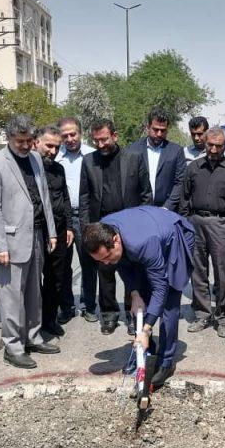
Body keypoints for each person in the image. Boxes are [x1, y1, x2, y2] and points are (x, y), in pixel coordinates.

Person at [83, 206, 194, 388]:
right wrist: (134, 294)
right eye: (101, 260)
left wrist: (147, 328)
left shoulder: (143, 243)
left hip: (174, 238)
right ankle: (145, 351)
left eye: (107, 256)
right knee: (140, 300)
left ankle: (166, 362)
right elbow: (122, 264)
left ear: (116, 240)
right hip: (146, 234)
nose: (106, 263)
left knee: (169, 302)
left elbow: (160, 288)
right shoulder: (104, 231)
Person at [0, 115, 60, 368]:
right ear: (9, 138)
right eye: (20, 141)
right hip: (10, 240)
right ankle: (13, 346)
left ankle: (33, 336)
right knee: (11, 296)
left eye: (29, 140)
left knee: (34, 292)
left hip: (36, 235)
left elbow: (43, 197)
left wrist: (51, 231)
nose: (26, 146)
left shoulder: (36, 158)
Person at [79, 119, 152, 335]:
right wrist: (86, 229)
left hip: (129, 228)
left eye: (104, 139)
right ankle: (109, 314)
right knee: (105, 271)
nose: (100, 145)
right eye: (96, 141)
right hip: (100, 225)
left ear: (115, 136)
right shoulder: (89, 161)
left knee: (132, 273)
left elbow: (146, 194)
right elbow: (84, 197)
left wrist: (142, 226)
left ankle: (132, 313)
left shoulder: (134, 158)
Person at [182, 126, 225, 337]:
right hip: (196, 222)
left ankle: (223, 316)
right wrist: (187, 223)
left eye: (218, 146)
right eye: (210, 145)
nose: (213, 150)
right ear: (204, 143)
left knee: (222, 273)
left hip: (220, 224)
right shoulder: (194, 167)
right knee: (198, 271)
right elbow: (184, 197)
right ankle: (202, 314)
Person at [55, 117, 97, 323]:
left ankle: (89, 305)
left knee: (88, 262)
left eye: (73, 134)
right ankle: (66, 306)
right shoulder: (56, 157)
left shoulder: (91, 155)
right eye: (65, 135)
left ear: (81, 133)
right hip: (62, 217)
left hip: (85, 215)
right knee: (62, 264)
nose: (70, 139)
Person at [35, 125, 73, 338]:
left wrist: (68, 226)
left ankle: (49, 319)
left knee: (55, 278)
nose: (53, 151)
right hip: (37, 231)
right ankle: (32, 322)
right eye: (49, 146)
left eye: (57, 147)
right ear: (36, 143)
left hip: (58, 232)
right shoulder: (29, 168)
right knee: (32, 281)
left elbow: (65, 198)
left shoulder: (59, 169)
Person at [127, 107, 186, 211]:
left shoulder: (176, 151)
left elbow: (180, 182)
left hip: (166, 210)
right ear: (148, 127)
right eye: (155, 129)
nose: (159, 134)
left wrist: (167, 207)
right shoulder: (132, 150)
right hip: (139, 210)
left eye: (163, 130)